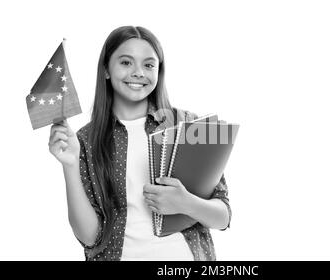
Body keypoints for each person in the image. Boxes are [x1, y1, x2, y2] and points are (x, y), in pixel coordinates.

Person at [48, 26, 231, 261]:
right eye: (126, 62)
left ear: (158, 71)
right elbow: (89, 237)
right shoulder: (85, 140)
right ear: (106, 69)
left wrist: (186, 203)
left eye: (148, 65)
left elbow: (223, 217)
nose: (138, 72)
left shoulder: (189, 126)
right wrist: (70, 164)